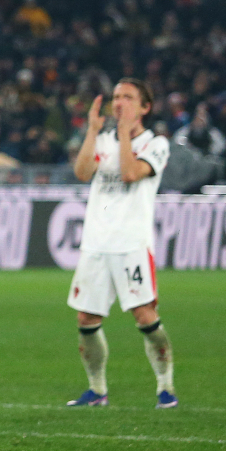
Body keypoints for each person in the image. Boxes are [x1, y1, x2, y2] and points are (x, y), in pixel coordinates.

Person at [66, 79, 177, 409]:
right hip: (96, 243)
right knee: (86, 319)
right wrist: (91, 130)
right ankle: (97, 390)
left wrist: (126, 135)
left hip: (132, 244)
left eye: (128, 98)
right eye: (115, 97)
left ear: (145, 107)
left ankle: (165, 387)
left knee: (145, 316)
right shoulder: (101, 140)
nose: (119, 103)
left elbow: (129, 173)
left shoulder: (156, 144)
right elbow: (83, 172)